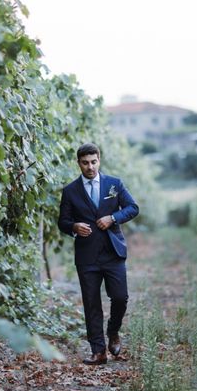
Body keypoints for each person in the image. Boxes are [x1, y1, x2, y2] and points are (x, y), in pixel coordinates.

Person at [58, 143, 139, 365]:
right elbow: (62, 222)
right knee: (91, 303)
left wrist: (113, 218)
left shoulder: (114, 184)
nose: (90, 167)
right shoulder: (70, 191)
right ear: (79, 164)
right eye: (85, 163)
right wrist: (74, 226)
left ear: (99, 160)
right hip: (87, 256)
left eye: (93, 162)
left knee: (120, 297)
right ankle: (98, 351)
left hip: (113, 252)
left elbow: (133, 207)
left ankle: (113, 332)